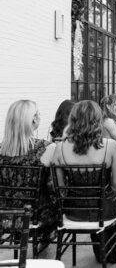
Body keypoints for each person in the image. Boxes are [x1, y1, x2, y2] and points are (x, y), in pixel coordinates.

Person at [52, 100, 116, 263]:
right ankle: (110, 254)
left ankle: (101, 248)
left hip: (73, 211)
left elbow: (61, 187)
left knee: (103, 199)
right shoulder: (110, 146)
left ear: (73, 120)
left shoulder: (59, 147)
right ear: (98, 120)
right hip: (103, 210)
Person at [0, 100, 57, 239]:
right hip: (37, 216)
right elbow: (53, 187)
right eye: (38, 113)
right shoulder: (47, 148)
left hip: (5, 216)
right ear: (33, 120)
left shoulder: (1, 150)